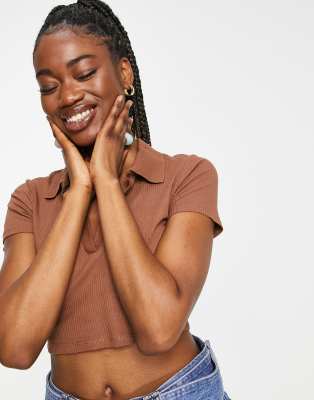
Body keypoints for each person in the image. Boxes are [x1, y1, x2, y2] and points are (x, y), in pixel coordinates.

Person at [0, 1, 231, 399]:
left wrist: (106, 182)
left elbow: (159, 329)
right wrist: (79, 193)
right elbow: (14, 349)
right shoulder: (30, 200)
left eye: (84, 73)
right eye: (49, 86)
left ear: (124, 73)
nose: (68, 96)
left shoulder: (186, 177)